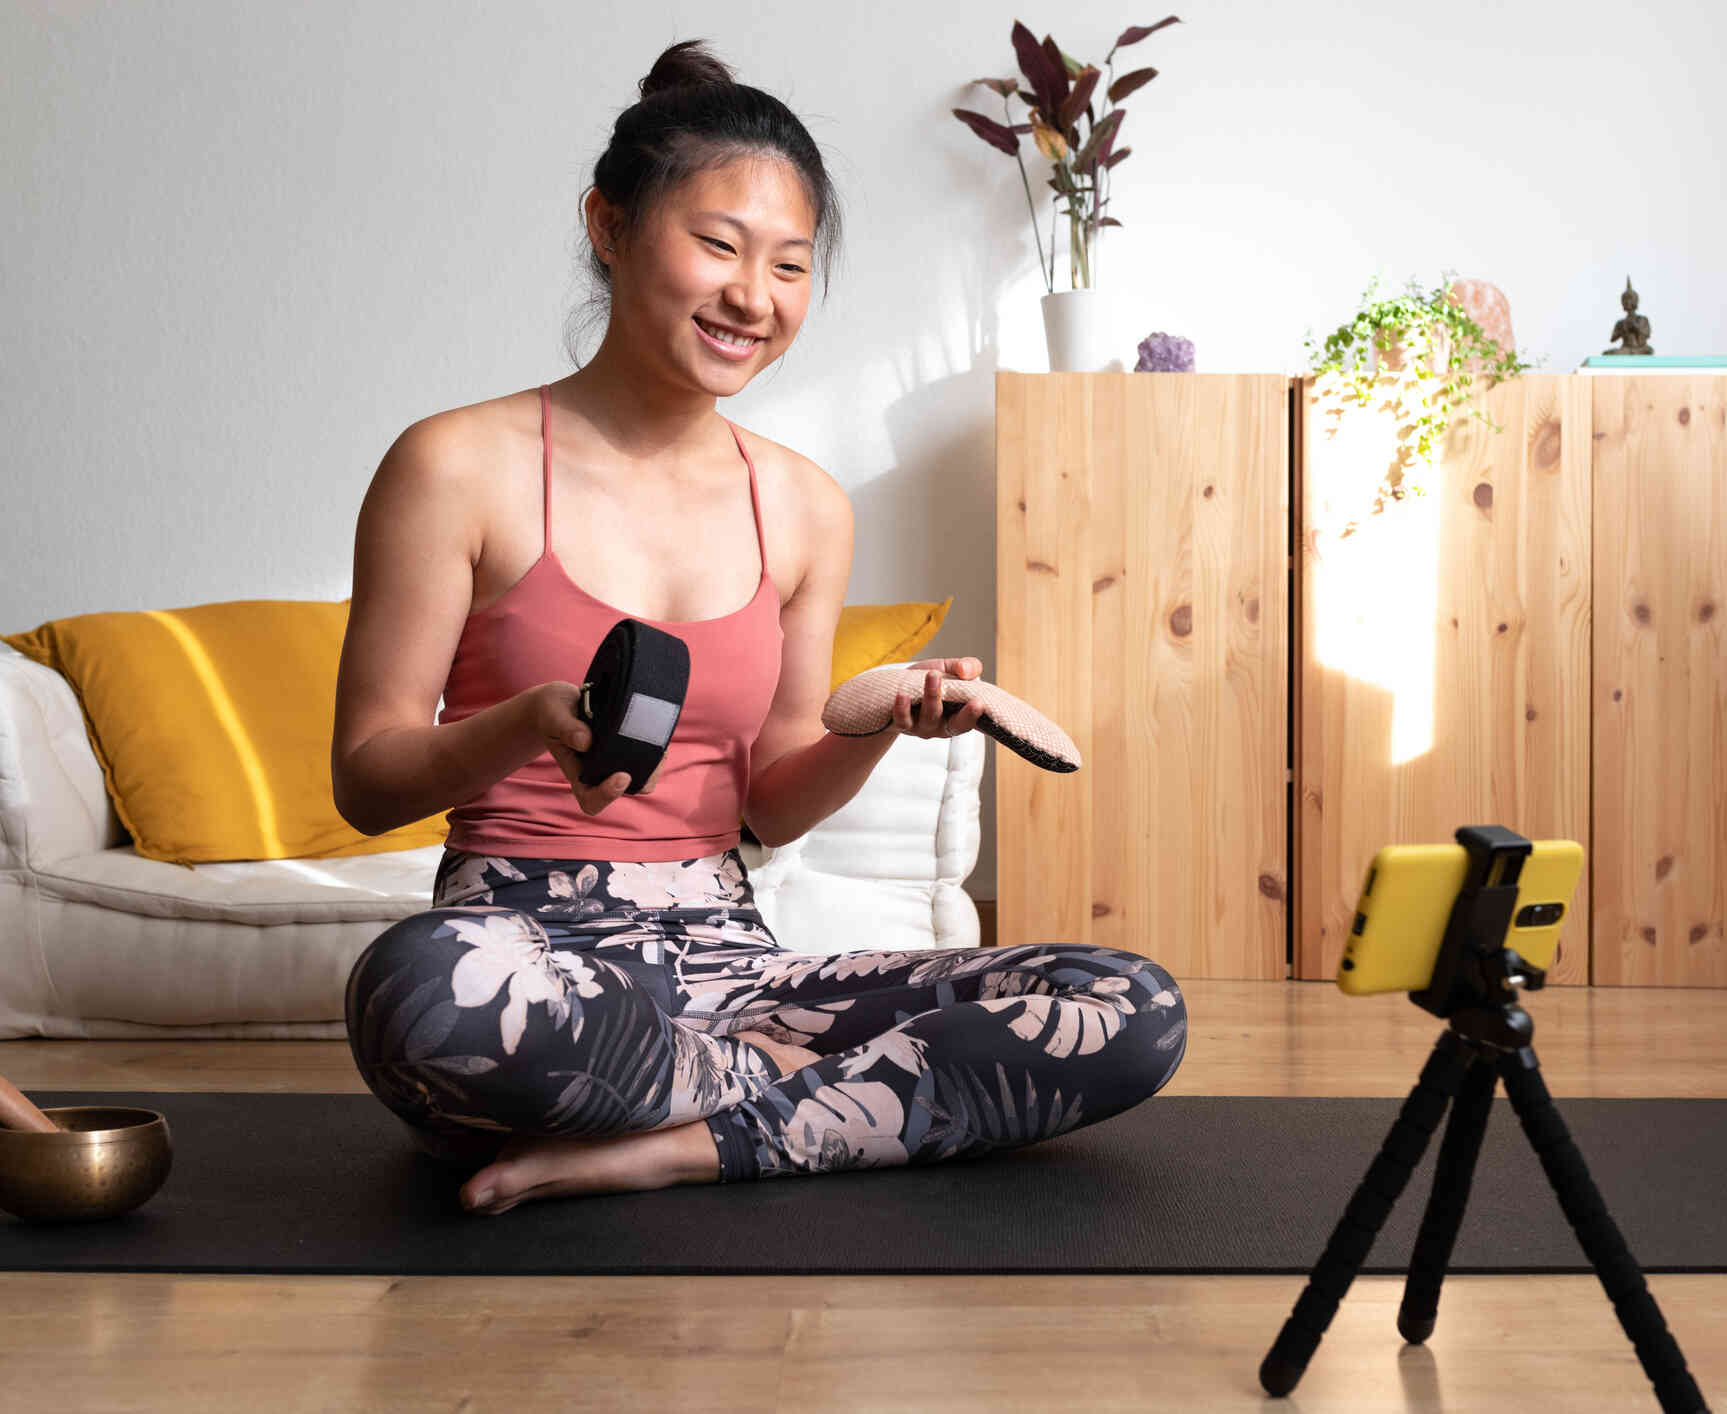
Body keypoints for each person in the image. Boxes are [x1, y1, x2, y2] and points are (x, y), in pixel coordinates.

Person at [333, 40, 1187, 1215]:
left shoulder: (800, 504)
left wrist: (885, 721)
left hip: (732, 962)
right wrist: (529, 722)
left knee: (1126, 1003)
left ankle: (675, 1142)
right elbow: (369, 779)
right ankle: (816, 1102)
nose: (754, 296)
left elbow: (771, 802)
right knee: (417, 989)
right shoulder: (455, 466)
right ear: (610, 225)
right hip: (523, 955)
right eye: (718, 246)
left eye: (790, 265)